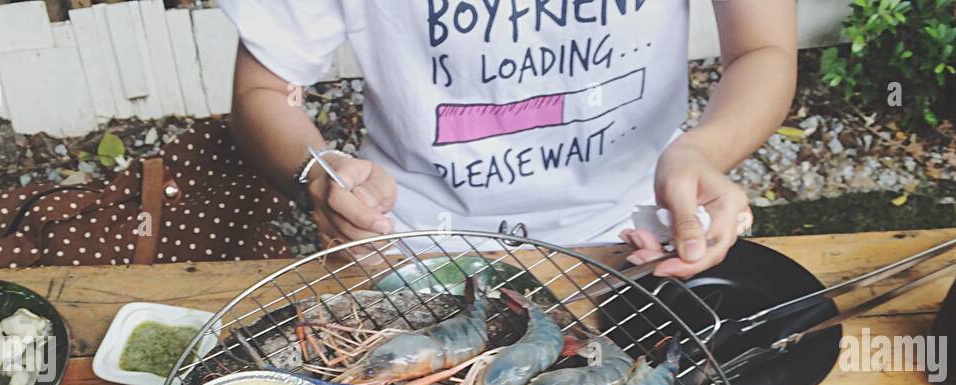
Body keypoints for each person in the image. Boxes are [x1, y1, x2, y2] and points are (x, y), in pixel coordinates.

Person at [223, 0, 796, 278]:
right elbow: (264, 93)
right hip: (410, 245)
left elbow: (762, 50)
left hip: (641, 234)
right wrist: (319, 172)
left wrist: (702, 151)